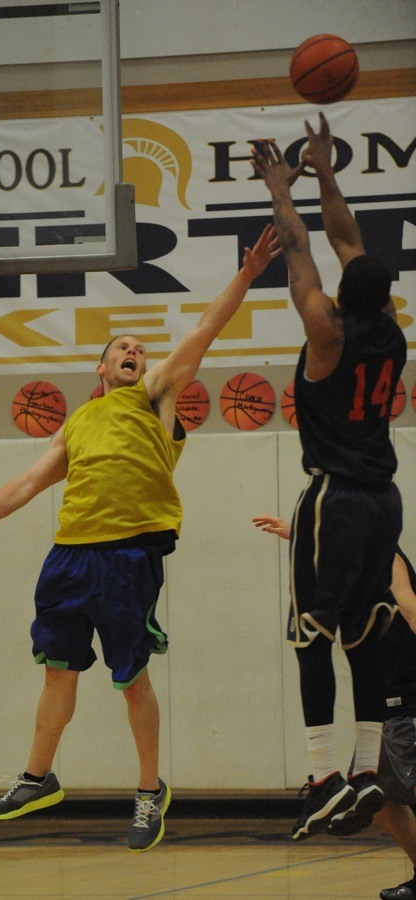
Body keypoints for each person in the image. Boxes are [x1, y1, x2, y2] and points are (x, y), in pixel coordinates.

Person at [0, 224, 280, 853]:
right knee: (57, 675)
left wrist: (247, 275)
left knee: (131, 680)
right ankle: (38, 777)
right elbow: (29, 482)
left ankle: (149, 790)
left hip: (129, 554)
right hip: (68, 556)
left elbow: (204, 328)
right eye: (123, 347)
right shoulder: (78, 421)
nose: (135, 353)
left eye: (141, 349)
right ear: (99, 366)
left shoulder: (154, 396)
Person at [251, 113, 407, 842]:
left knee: (311, 632)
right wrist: (325, 172)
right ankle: (369, 769)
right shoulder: (392, 329)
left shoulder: (327, 328)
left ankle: (321, 779)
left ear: (349, 290)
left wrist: (283, 188)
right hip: (386, 500)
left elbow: (302, 246)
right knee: (366, 634)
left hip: (337, 495)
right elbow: (347, 238)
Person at [253, 515, 416, 900]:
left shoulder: (384, 555)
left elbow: (408, 605)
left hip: (407, 694)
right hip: (386, 697)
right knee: (376, 795)